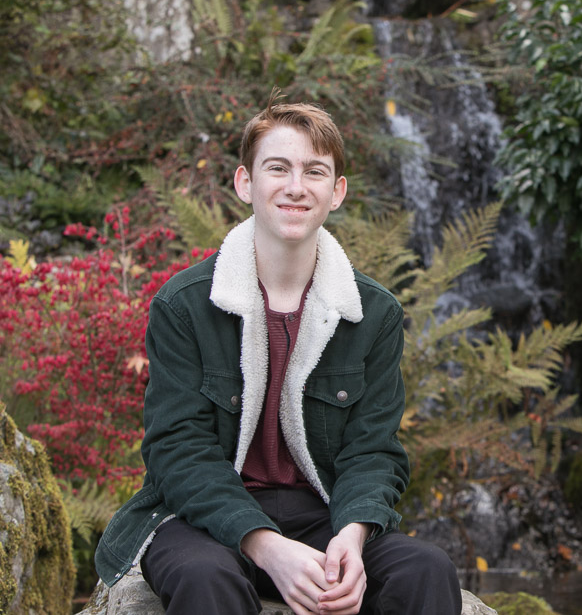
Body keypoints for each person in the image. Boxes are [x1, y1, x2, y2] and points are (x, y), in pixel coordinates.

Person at [95, 101, 462, 615]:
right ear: (245, 183)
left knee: (426, 571)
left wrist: (353, 537)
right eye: (278, 168)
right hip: (202, 520)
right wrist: (266, 546)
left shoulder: (373, 313)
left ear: (336, 191)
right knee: (206, 580)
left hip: (322, 513)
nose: (296, 186)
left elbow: (373, 450)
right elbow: (177, 451)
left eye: (315, 171)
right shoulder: (183, 305)